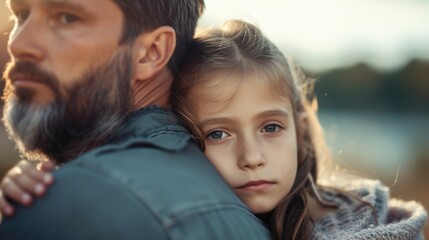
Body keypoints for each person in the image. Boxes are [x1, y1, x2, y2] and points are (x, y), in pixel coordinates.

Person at [2, 20, 427, 239]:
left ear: (299, 128)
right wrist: (48, 178)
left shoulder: (359, 220)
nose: (251, 156)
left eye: (271, 127)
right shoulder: (201, 211)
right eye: (219, 134)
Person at [0, 0, 270, 239]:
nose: (18, 44)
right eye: (21, 15)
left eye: (67, 17)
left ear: (151, 52)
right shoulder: (248, 213)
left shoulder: (64, 212)